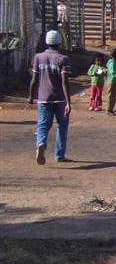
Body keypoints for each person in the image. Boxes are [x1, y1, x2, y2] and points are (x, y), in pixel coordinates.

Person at [28, 30, 72, 164]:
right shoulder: (62, 59)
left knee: (42, 124)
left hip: (43, 98)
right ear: (60, 42)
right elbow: (65, 81)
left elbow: (34, 80)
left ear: (47, 42)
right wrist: (68, 102)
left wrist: (31, 96)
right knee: (62, 126)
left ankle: (41, 143)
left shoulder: (38, 57)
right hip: (60, 98)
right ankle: (60, 155)